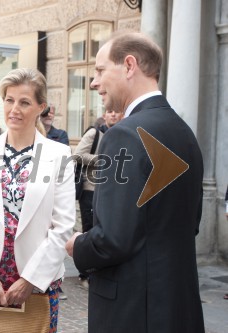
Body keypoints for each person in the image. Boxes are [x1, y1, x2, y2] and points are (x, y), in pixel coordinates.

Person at [65, 32, 205, 332]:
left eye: (100, 71)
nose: (93, 83)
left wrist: (78, 245)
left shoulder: (123, 134)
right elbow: (190, 224)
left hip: (132, 311)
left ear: (129, 65)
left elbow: (112, 240)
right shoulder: (185, 133)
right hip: (177, 307)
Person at [0, 68, 76, 333]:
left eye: (24, 102)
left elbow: (63, 226)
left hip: (37, 285)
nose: (14, 109)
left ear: (41, 107)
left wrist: (30, 280)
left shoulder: (59, 154)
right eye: (9, 100)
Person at [73, 109, 123, 288]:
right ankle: (85, 274)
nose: (114, 115)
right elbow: (77, 155)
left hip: (113, 190)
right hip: (90, 189)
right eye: (110, 112)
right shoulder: (95, 133)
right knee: (89, 230)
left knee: (104, 231)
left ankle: (98, 272)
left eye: (116, 112)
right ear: (105, 114)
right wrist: (103, 159)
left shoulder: (124, 133)